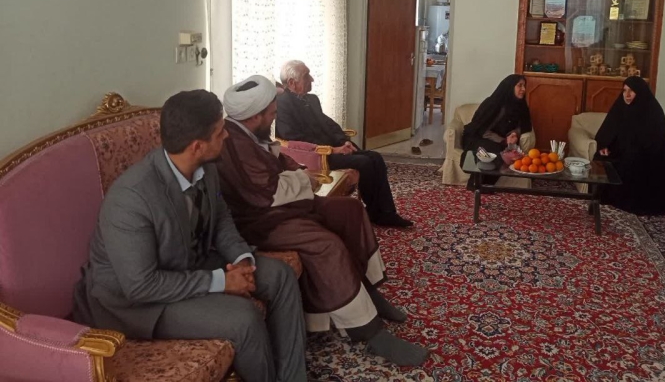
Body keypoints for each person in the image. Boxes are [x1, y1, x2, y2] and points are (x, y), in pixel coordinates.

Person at [72, 90, 307, 382]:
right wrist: (221, 281)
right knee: (243, 318)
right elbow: (141, 286)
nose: (227, 136)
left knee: (280, 276)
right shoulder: (131, 199)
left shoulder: (207, 167)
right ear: (197, 146)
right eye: (220, 132)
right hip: (139, 302)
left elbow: (220, 217)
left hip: (190, 261)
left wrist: (241, 258)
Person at [217, 76, 429, 367]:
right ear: (255, 115)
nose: (275, 115)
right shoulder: (234, 142)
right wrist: (305, 179)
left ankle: (367, 289)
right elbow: (266, 194)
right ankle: (370, 331)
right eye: (271, 112)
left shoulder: (249, 131)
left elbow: (277, 157)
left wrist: (298, 168)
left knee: (351, 211)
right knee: (326, 244)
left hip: (284, 205)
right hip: (260, 220)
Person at [275, 60, 413, 228]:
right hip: (318, 155)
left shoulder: (311, 99)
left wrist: (343, 141)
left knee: (375, 157)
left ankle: (385, 213)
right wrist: (333, 150)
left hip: (334, 148)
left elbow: (329, 125)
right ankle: (377, 213)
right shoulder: (282, 104)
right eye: (306, 76)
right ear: (291, 82)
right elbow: (293, 138)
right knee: (365, 162)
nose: (312, 79)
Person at [593, 76, 665, 215]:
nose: (627, 95)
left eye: (631, 91)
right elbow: (607, 132)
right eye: (624, 90)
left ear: (640, 92)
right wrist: (605, 147)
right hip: (621, 152)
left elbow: (655, 142)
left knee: (632, 161)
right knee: (603, 158)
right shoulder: (620, 107)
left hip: (647, 157)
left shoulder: (653, 111)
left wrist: (631, 150)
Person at [460, 74, 532, 167]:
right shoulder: (493, 104)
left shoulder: (521, 106)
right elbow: (483, 130)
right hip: (478, 138)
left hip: (501, 141)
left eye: (524, 86)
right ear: (510, 87)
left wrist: (514, 133)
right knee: (494, 151)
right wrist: (504, 141)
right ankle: (478, 176)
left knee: (507, 152)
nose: (523, 89)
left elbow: (523, 125)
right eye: (520, 85)